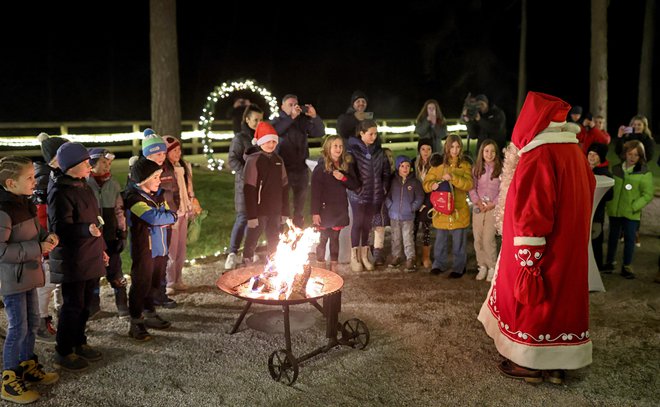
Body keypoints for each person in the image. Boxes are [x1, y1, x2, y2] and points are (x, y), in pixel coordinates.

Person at [478, 91, 596, 385]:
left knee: (535, 303)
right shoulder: (575, 153)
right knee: (562, 300)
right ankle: (557, 365)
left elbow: (532, 211)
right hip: (567, 247)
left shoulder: (539, 155)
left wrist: (528, 260)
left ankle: (528, 362)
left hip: (538, 249)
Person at [0, 156, 59, 404]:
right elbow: (1, 251)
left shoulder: (25, 202)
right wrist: (37, 247)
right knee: (18, 327)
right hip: (12, 280)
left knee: (32, 322)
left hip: (29, 275)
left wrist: (48, 236)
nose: (35, 182)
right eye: (30, 178)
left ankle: (26, 365)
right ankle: (9, 379)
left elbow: (37, 229)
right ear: (11, 182)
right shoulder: (3, 210)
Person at [48, 142, 106, 372]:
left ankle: (79, 341)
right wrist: (85, 230)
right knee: (73, 305)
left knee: (85, 305)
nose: (90, 166)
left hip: (89, 254)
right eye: (85, 163)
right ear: (71, 166)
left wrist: (100, 248)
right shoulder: (61, 192)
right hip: (73, 259)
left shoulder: (84, 185)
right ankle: (63, 350)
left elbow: (95, 219)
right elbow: (59, 228)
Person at [123, 158, 178, 341]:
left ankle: (150, 312)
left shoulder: (158, 195)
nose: (159, 180)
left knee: (154, 283)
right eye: (155, 177)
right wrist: (167, 217)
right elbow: (153, 218)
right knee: (141, 284)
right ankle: (136, 321)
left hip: (160, 247)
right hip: (144, 250)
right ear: (143, 179)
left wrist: (167, 217)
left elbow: (170, 214)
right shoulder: (133, 198)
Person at [33, 133, 67, 343]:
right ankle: (40, 321)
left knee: (58, 278)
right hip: (49, 238)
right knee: (46, 281)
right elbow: (41, 214)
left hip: (57, 235)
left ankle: (60, 312)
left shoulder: (56, 175)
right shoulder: (45, 180)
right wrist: (46, 238)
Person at [86, 148, 129, 317]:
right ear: (92, 163)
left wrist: (122, 231)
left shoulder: (113, 184)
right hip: (94, 238)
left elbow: (119, 209)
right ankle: (93, 307)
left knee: (116, 271)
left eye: (109, 163)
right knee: (93, 274)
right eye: (103, 162)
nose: (107, 166)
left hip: (111, 236)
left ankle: (122, 305)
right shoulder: (85, 185)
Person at [272, 94, 325, 228]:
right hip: (283, 168)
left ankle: (297, 231)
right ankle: (279, 233)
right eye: (290, 105)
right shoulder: (277, 120)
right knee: (282, 203)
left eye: (296, 104)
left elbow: (319, 132)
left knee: (300, 205)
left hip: (301, 167)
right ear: (282, 107)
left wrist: (314, 117)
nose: (294, 107)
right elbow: (276, 131)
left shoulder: (302, 120)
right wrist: (291, 118)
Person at [423, 134, 473, 278]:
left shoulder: (465, 164)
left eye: (458, 147)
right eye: (452, 147)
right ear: (447, 147)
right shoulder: (438, 164)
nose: (455, 150)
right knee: (440, 241)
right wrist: (431, 185)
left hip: (459, 210)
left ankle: (459, 267)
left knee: (459, 242)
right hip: (441, 210)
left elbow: (469, 184)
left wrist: (454, 178)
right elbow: (426, 183)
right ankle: (439, 264)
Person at [602, 140, 653, 279]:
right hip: (615, 211)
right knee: (613, 237)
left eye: (636, 155)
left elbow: (648, 194)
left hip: (631, 212)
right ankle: (609, 262)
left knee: (630, 239)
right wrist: (609, 204)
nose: (632, 157)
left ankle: (627, 266)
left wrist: (634, 206)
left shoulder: (644, 173)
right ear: (625, 154)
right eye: (630, 154)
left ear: (640, 156)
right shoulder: (617, 169)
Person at [346, 119, 390, 272]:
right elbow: (350, 173)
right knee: (358, 223)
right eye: (370, 134)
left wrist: (383, 188)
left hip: (375, 195)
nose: (374, 137)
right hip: (358, 195)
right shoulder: (352, 151)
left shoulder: (379, 151)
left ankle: (365, 255)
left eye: (376, 134)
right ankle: (354, 257)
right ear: (361, 133)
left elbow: (386, 172)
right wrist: (358, 189)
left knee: (367, 225)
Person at [242, 122, 289, 263]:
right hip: (259, 209)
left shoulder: (278, 160)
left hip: (275, 209)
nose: (271, 144)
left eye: (274, 141)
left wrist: (285, 211)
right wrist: (251, 215)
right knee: (253, 235)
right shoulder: (253, 160)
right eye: (268, 141)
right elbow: (249, 189)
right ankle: (247, 259)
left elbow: (285, 187)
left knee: (274, 237)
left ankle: (273, 263)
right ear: (260, 142)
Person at [311, 136, 359, 271]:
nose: (338, 149)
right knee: (323, 238)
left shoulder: (345, 166)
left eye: (340, 146)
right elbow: (315, 193)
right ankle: (320, 266)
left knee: (335, 238)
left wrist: (343, 178)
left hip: (339, 209)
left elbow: (355, 185)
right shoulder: (321, 168)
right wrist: (315, 213)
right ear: (328, 148)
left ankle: (334, 266)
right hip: (324, 210)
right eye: (335, 146)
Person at [225, 104, 264, 270]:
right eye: (255, 119)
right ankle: (232, 253)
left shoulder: (262, 138)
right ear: (247, 119)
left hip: (260, 188)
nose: (258, 122)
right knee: (242, 218)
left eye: (261, 119)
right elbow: (232, 160)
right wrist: (247, 174)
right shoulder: (240, 139)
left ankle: (249, 251)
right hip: (244, 186)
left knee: (255, 221)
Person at [160, 136, 196, 295]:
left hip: (184, 211)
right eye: (174, 150)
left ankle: (178, 278)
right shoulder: (165, 170)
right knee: (171, 250)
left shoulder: (184, 167)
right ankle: (169, 281)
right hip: (172, 214)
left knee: (182, 248)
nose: (178, 153)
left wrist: (192, 203)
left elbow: (189, 188)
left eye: (179, 150)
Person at [468, 139, 502, 282]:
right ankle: (482, 265)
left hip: (492, 209)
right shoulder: (476, 169)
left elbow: (503, 190)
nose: (489, 154)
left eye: (492, 151)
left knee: (489, 239)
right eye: (486, 151)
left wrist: (493, 204)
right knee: (478, 239)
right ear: (482, 152)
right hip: (478, 207)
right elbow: (471, 187)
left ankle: (492, 266)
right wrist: (477, 201)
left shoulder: (501, 169)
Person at [385, 156, 424, 272]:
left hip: (408, 216)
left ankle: (410, 258)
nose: (405, 168)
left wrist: (413, 208)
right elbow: (387, 195)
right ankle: (396, 256)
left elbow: (420, 197)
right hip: (394, 215)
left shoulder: (415, 182)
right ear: (398, 167)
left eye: (407, 166)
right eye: (402, 166)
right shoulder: (393, 182)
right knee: (395, 237)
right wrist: (390, 205)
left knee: (408, 238)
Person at [586, 143, 613, 270]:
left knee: (595, 240)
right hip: (583, 213)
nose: (591, 157)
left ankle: (596, 267)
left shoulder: (605, 173)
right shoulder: (582, 169)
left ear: (600, 157)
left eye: (595, 155)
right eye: (590, 154)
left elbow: (609, 195)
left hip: (596, 214)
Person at [411, 138, 434, 269]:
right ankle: (413, 255)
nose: (426, 152)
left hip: (428, 201)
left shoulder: (434, 165)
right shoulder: (414, 163)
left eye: (429, 149)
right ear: (419, 150)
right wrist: (416, 202)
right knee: (413, 229)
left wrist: (426, 202)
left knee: (426, 229)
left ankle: (426, 256)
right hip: (415, 200)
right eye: (423, 149)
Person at [371, 148, 394, 266]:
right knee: (377, 229)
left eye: (390, 157)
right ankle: (376, 254)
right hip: (377, 207)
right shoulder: (378, 175)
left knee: (381, 229)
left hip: (389, 207)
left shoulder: (394, 175)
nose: (388, 160)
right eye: (385, 158)